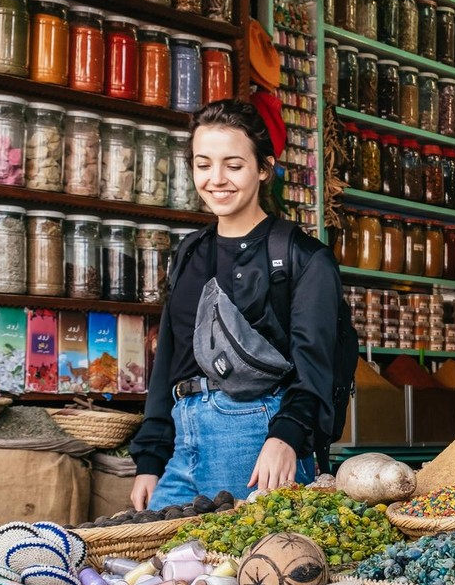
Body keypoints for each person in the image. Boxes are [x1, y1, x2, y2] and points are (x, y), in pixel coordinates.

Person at [129, 98, 343, 510]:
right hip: (183, 437)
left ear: (264, 168)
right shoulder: (189, 252)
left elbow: (317, 365)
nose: (216, 179)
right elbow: (170, 360)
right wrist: (150, 460)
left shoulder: (303, 257)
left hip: (254, 436)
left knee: (237, 571)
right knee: (158, 565)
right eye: (203, 164)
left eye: (234, 164)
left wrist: (286, 438)